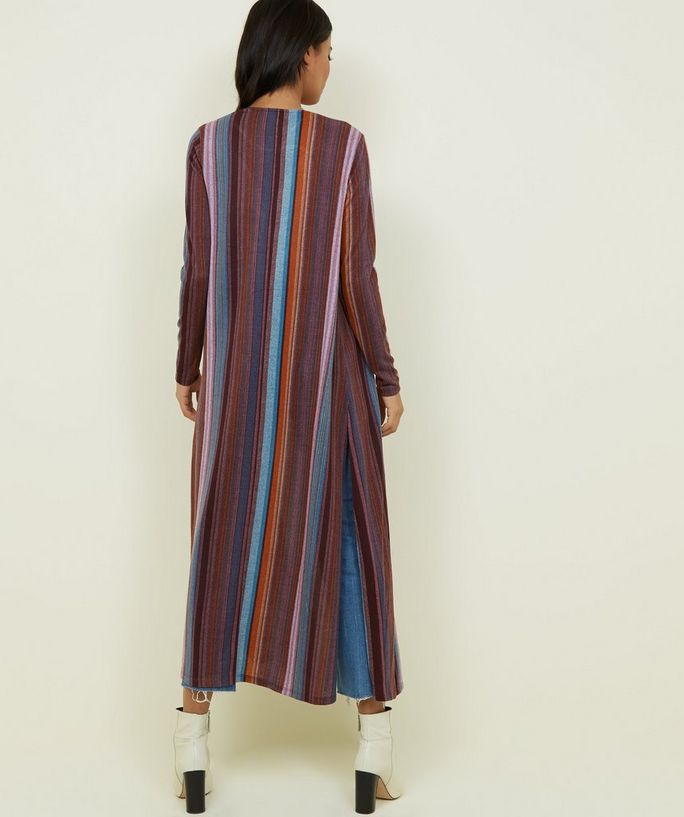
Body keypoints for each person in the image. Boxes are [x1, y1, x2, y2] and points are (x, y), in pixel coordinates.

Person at [172, 1, 405, 812]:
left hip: (236, 390)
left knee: (221, 537)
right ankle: (373, 752)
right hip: (326, 388)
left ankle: (191, 746)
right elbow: (357, 275)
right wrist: (385, 374)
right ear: (301, 53)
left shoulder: (209, 146)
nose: (330, 68)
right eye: (328, 53)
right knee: (353, 540)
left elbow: (199, 269)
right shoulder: (342, 148)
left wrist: (188, 365)